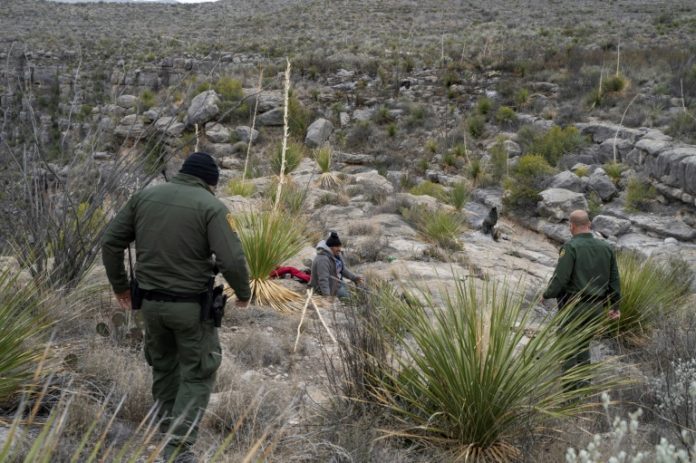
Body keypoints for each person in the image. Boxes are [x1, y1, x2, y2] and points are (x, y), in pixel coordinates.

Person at [101, 152, 251, 462]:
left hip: (150, 306)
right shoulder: (211, 206)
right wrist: (244, 292)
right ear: (210, 182)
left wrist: (120, 286)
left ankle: (165, 435)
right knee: (197, 374)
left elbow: (111, 242)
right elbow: (232, 259)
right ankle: (178, 452)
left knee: (165, 367)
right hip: (191, 309)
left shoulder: (145, 196)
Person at [543, 210, 621, 391]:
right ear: (590, 224)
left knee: (568, 346)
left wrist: (547, 294)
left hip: (574, 306)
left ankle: (571, 394)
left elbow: (560, 279)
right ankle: (584, 388)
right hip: (597, 308)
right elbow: (615, 280)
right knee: (584, 344)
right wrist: (615, 306)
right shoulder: (606, 248)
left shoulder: (571, 247)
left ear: (571, 226)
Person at [310, 231, 362, 298]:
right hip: (327, 287)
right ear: (330, 247)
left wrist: (354, 278)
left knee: (355, 294)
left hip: (337, 283)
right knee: (349, 299)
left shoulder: (337, 255)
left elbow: (343, 269)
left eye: (340, 246)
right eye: (336, 247)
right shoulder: (322, 259)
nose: (339, 249)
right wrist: (327, 296)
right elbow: (323, 280)